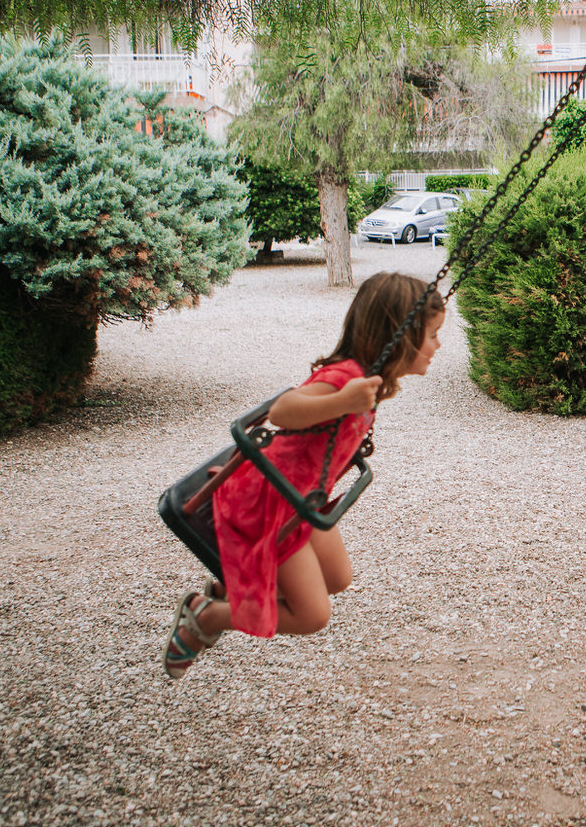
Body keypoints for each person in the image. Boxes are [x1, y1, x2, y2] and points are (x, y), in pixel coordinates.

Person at [162, 272, 446, 679]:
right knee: (312, 614)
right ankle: (206, 617)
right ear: (397, 335)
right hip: (268, 501)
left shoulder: (372, 382)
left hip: (300, 498)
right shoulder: (346, 377)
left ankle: (233, 591)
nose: (438, 345)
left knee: (338, 578)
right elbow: (283, 411)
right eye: (433, 335)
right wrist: (342, 401)